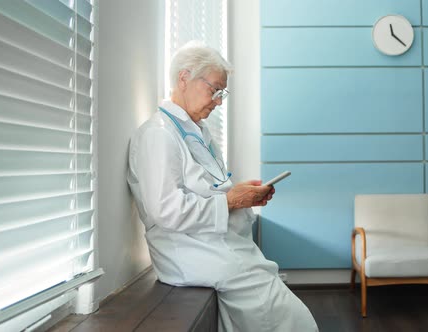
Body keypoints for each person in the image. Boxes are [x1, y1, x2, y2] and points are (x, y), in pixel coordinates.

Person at [127, 41, 318, 331]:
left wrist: (241, 194)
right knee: (290, 316)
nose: (218, 101)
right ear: (183, 78)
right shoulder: (158, 135)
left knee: (275, 299)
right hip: (187, 252)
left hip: (213, 244)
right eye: (214, 90)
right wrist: (230, 202)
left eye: (221, 93)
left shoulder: (198, 133)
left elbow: (208, 188)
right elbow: (164, 210)